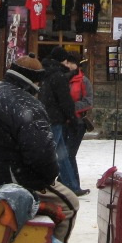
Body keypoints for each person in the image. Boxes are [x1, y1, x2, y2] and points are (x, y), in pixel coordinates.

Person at [0, 55, 79, 243]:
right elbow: (42, 158)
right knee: (71, 204)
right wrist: (46, 179)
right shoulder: (28, 105)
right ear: (35, 82)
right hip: (13, 181)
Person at [39, 47, 82, 195]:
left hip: (47, 115)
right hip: (55, 118)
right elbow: (65, 100)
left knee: (62, 154)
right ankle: (40, 182)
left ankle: (72, 186)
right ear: (61, 60)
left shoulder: (46, 72)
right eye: (65, 60)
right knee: (49, 153)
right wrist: (72, 118)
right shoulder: (57, 75)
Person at [65, 57, 94, 197]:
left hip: (78, 122)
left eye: (71, 62)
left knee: (69, 154)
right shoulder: (63, 80)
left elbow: (88, 102)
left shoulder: (84, 81)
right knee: (65, 154)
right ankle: (67, 183)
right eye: (67, 63)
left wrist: (70, 108)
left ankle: (73, 184)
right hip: (65, 122)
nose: (68, 65)